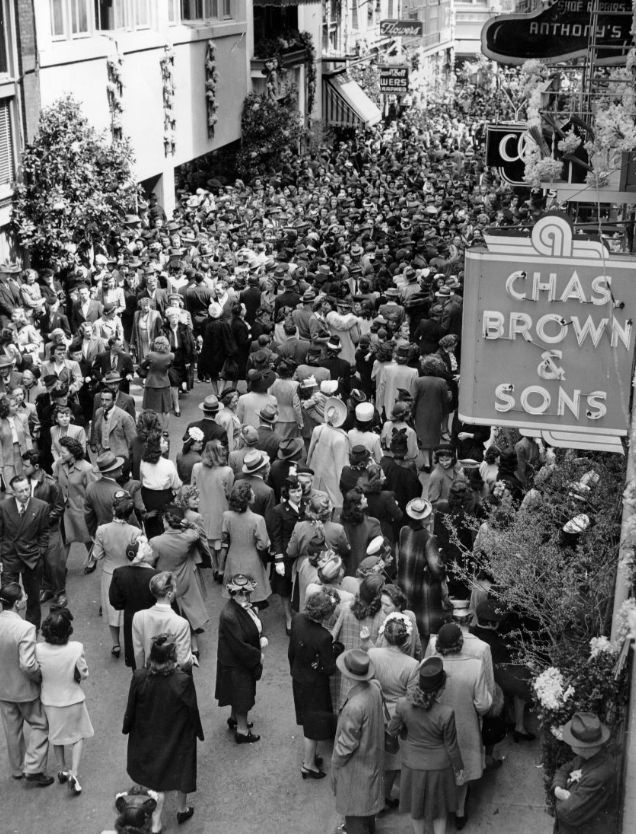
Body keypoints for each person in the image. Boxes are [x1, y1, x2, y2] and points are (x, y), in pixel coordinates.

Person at [123, 634, 204, 829]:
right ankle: (181, 809)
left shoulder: (140, 677)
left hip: (148, 730)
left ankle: (155, 818)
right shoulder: (182, 680)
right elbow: (191, 707)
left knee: (152, 771)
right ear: (172, 658)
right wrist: (198, 731)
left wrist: (127, 727)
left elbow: (131, 706)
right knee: (182, 766)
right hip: (176, 731)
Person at [387, 656, 464, 834]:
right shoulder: (446, 713)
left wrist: (404, 730)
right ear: (440, 690)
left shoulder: (403, 705)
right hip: (440, 767)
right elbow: (451, 746)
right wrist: (459, 768)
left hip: (412, 764)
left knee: (416, 808)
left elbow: (393, 729)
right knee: (439, 810)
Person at [434, 623, 492, 828]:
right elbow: (483, 705)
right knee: (463, 770)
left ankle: (441, 811)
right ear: (460, 643)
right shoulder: (475, 667)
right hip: (465, 727)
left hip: (436, 729)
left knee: (439, 770)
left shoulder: (429, 664)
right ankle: (459, 811)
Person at [35, 607, 93, 795]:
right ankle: (74, 772)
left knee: (57, 737)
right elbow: (84, 673)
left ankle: (61, 768)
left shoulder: (39, 649)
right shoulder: (76, 648)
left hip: (50, 700)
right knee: (77, 736)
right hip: (72, 698)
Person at [0, 582, 53, 786]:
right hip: (25, 689)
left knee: (11, 729)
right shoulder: (25, 628)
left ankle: (17, 768)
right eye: (22, 597)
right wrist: (39, 677)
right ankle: (34, 767)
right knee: (41, 724)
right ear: (16, 603)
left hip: (3, 687)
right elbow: (28, 665)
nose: (26, 599)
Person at [367, 612, 420, 811]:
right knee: (390, 763)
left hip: (372, 711)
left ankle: (372, 800)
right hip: (396, 720)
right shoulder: (412, 665)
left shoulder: (372, 654)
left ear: (384, 635)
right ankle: (384, 798)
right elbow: (412, 699)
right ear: (406, 639)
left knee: (373, 760)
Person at [331, 649, 385, 834]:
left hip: (356, 768)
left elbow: (346, 745)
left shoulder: (355, 705)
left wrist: (335, 764)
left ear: (347, 674)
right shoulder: (374, 688)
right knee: (367, 811)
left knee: (355, 816)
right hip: (372, 760)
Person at [288, 588, 339, 779]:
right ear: (326, 613)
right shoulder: (324, 637)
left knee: (308, 721)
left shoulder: (298, 619)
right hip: (315, 686)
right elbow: (329, 668)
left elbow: (291, 651)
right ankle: (308, 765)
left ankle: (311, 757)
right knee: (313, 726)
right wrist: (335, 653)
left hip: (299, 677)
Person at [149, 504, 209, 657]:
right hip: (185, 578)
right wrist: (187, 523)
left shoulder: (156, 542)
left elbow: (151, 562)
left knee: (170, 615)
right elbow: (197, 531)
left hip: (166, 582)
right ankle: (194, 647)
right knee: (188, 613)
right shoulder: (187, 538)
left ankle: (174, 646)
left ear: (166, 522)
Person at [215, 573, 268, 744]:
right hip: (237, 664)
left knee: (236, 693)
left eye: (247, 593)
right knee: (242, 696)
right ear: (233, 593)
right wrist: (257, 656)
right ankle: (242, 731)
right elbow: (239, 646)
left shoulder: (238, 608)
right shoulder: (230, 615)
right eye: (241, 593)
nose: (245, 596)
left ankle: (234, 719)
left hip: (236, 661)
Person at [93, 490, 142, 659]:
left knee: (112, 608)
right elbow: (139, 555)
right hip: (129, 572)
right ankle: (133, 642)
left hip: (110, 573)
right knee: (132, 609)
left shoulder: (102, 530)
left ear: (113, 510)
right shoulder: (135, 532)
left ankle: (115, 644)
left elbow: (96, 555)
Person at [552, 712, 616, 834]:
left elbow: (565, 811)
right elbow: (564, 769)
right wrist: (558, 788)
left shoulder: (598, 776)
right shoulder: (590, 755)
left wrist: (560, 796)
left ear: (582, 747)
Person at [397, 498, 451, 641]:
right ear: (423, 518)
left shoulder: (404, 531)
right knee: (423, 630)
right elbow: (436, 569)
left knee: (407, 625)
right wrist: (443, 564)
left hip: (405, 583)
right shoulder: (429, 538)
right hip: (422, 588)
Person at [0, 476, 50, 628]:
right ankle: (11, 629)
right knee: (8, 598)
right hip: (10, 557)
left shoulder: (41, 506)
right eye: (20, 491)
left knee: (33, 598)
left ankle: (31, 631)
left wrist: (40, 552)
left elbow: (44, 533)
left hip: (32, 557)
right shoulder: (3, 506)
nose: (25, 493)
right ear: (13, 493)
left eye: (27, 489)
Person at [331, 574, 386, 710]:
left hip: (345, 665)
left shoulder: (346, 609)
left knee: (343, 706)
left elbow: (334, 636)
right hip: (366, 669)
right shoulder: (383, 617)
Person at [21, 451, 66, 609]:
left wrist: (43, 521)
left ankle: (60, 593)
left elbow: (59, 508)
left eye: (26, 465)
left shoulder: (51, 484)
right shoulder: (24, 482)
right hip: (31, 530)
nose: (23, 468)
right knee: (38, 563)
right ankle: (46, 589)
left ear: (37, 466)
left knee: (54, 563)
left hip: (49, 530)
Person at [109, 537, 160, 669]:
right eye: (149, 549)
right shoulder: (157, 576)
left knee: (137, 666)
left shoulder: (120, 573)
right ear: (144, 556)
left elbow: (116, 602)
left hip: (131, 622)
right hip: (154, 623)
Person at [131, 571, 196, 671]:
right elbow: (183, 662)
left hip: (149, 675)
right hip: (171, 679)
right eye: (175, 589)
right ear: (169, 594)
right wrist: (191, 659)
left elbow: (138, 653)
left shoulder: (138, 617)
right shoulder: (181, 623)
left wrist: (141, 674)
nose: (176, 591)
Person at [220, 481, 271, 604]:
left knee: (236, 594)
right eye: (252, 493)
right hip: (251, 559)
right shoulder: (257, 519)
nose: (254, 495)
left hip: (233, 558)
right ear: (247, 500)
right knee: (251, 596)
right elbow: (263, 544)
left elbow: (224, 536)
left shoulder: (227, 516)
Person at [191, 439, 234, 579]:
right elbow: (230, 493)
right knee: (223, 542)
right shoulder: (227, 471)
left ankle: (214, 566)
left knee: (208, 540)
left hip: (203, 510)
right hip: (222, 511)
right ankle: (221, 569)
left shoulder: (196, 468)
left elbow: (193, 489)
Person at [268, 475, 304, 633]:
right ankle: (289, 617)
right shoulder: (279, 511)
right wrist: (278, 559)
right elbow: (275, 536)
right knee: (284, 588)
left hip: (302, 553)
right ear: (287, 493)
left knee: (302, 585)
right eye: (294, 491)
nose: (298, 494)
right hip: (286, 554)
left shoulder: (306, 507)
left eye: (300, 490)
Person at [53, 436, 96, 569]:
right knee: (65, 538)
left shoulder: (87, 468)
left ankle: (92, 559)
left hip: (81, 510)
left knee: (87, 538)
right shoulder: (60, 464)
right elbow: (55, 482)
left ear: (72, 453)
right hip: (64, 510)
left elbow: (92, 491)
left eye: (63, 452)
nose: (61, 454)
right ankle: (62, 567)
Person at [306, 396, 351, 511]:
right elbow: (341, 467)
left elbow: (309, 455)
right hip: (332, 482)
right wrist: (345, 488)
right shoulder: (340, 438)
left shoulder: (318, 429)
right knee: (330, 508)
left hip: (317, 475)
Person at [139, 435, 182, 540]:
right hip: (163, 497)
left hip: (147, 496)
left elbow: (141, 479)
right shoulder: (168, 464)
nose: (167, 443)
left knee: (151, 526)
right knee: (163, 524)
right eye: (163, 442)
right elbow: (176, 485)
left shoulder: (143, 461)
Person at [90, 387, 137, 462]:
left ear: (114, 401)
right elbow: (97, 431)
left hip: (120, 457)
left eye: (107, 400)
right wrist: (99, 447)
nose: (104, 403)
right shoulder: (98, 412)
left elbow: (133, 441)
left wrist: (127, 458)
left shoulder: (124, 417)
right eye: (102, 400)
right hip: (103, 455)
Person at [139, 336, 174, 428]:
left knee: (152, 408)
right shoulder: (171, 356)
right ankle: (165, 430)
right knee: (165, 410)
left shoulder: (150, 355)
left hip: (151, 383)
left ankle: (154, 428)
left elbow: (142, 365)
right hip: (165, 383)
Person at [0, 393, 33, 489]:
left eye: (16, 404)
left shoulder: (23, 417)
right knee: (10, 487)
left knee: (24, 485)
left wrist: (31, 455)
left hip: (22, 454)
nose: (17, 406)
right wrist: (0, 465)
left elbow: (27, 437)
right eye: (13, 405)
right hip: (7, 456)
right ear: (6, 407)